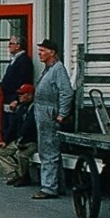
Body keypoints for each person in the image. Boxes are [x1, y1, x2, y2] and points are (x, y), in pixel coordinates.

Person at [32, 38, 74, 199]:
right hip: (43, 113)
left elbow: (67, 92)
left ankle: (49, 187)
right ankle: (58, 185)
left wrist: (62, 113)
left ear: (52, 52)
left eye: (42, 51)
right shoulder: (48, 69)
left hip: (50, 113)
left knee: (48, 150)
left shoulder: (58, 69)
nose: (39, 54)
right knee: (49, 149)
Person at [0, 83, 37, 186]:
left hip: (31, 140)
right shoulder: (21, 108)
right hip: (19, 140)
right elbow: (13, 126)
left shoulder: (35, 108)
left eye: (22, 94)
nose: (19, 96)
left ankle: (24, 177)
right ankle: (15, 173)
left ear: (30, 95)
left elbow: (30, 127)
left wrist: (22, 141)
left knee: (21, 154)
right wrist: (5, 141)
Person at [0, 35, 33, 142]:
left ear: (18, 46)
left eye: (11, 44)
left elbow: (23, 82)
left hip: (15, 100)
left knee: (12, 128)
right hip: (8, 98)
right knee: (5, 126)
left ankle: (10, 154)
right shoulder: (14, 60)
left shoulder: (24, 61)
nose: (9, 46)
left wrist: (17, 100)